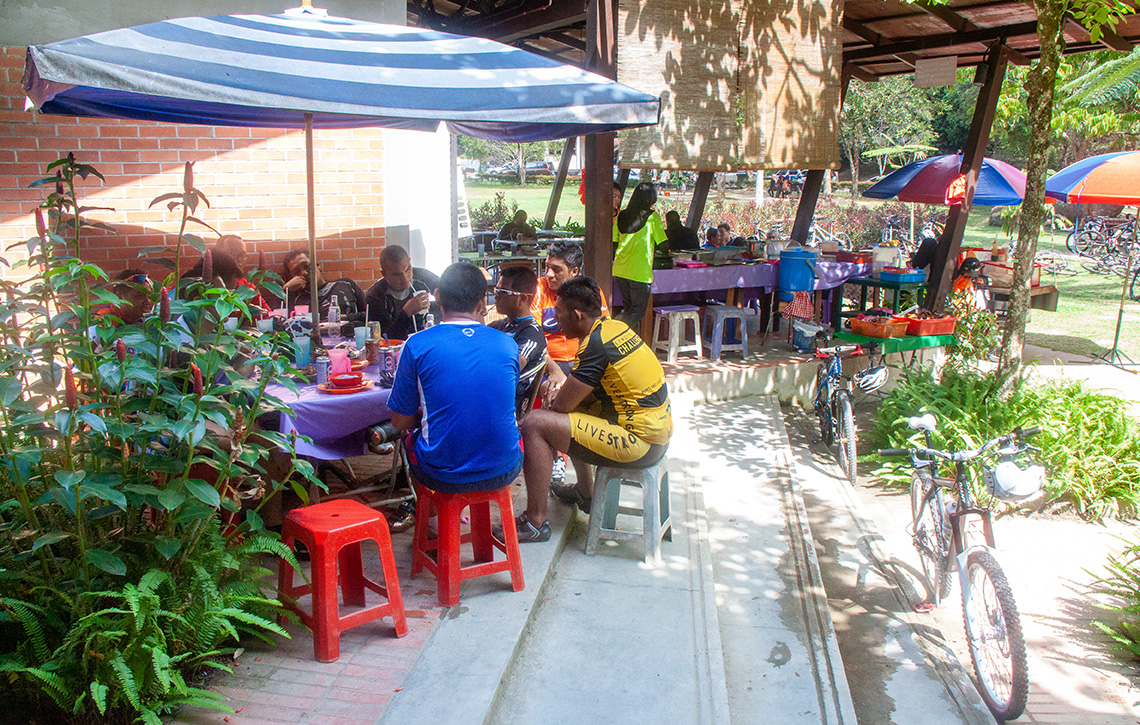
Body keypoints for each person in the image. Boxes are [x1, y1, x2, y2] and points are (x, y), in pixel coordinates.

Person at [517, 276, 672, 541]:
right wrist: (558, 392)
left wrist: (549, 391)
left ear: (577, 315)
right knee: (579, 410)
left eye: (559, 314)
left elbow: (563, 403)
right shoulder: (614, 328)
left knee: (534, 423)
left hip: (639, 443)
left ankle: (535, 522)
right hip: (657, 434)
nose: (555, 321)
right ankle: (585, 493)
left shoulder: (595, 345)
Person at [388, 262, 523, 496]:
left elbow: (400, 421)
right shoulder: (508, 344)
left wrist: (429, 417)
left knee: (410, 438)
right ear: (482, 303)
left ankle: (431, 521)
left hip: (440, 473)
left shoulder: (416, 344)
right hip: (505, 466)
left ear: (437, 296)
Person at [489, 266, 547, 415]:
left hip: (507, 405)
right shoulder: (498, 325)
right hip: (489, 395)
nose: (496, 296)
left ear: (522, 299)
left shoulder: (531, 332)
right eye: (496, 290)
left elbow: (510, 368)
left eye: (503, 292)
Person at [612, 181, 667, 330]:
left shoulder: (622, 215)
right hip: (640, 271)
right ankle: (614, 332)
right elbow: (663, 244)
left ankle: (628, 345)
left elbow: (614, 241)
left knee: (629, 309)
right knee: (637, 312)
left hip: (620, 269)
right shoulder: (652, 217)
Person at [364, 245, 441, 339]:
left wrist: (441, 299)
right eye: (397, 275)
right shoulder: (375, 296)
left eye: (407, 269)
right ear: (384, 274)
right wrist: (406, 313)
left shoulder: (423, 277)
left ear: (410, 262)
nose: (405, 279)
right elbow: (387, 338)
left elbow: (453, 296)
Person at [281, 248, 366, 322]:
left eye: (306, 266)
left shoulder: (346, 285)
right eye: (296, 272)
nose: (304, 273)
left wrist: (344, 318)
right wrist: (286, 290)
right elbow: (281, 323)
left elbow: (370, 314)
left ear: (318, 266)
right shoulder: (296, 298)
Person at [215, 234, 269, 316]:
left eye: (242, 255)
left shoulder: (248, 289)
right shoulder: (208, 286)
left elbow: (267, 315)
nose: (239, 260)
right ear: (218, 256)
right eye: (232, 254)